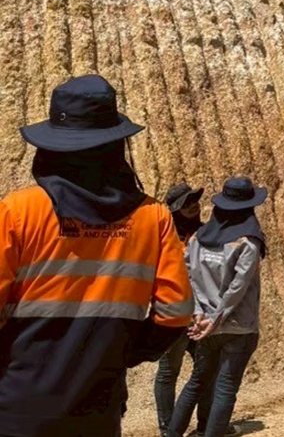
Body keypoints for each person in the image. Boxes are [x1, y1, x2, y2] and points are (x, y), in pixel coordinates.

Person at [0, 74, 194, 437]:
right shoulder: (151, 217)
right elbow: (176, 311)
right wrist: (123, 352)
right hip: (99, 409)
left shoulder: (17, 212)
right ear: (114, 146)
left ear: (52, 148)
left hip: (18, 408)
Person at [168, 177, 267, 437]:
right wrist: (216, 319)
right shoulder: (248, 242)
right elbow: (238, 287)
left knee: (196, 383)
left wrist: (200, 313)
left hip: (205, 327)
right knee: (225, 388)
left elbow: (189, 277)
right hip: (238, 327)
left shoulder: (200, 237)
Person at [155, 183, 225, 437]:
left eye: (194, 199)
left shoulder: (206, 233)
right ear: (175, 209)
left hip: (201, 313)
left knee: (207, 370)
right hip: (173, 312)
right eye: (187, 202)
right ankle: (168, 430)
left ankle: (207, 426)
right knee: (168, 372)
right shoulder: (164, 236)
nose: (194, 204)